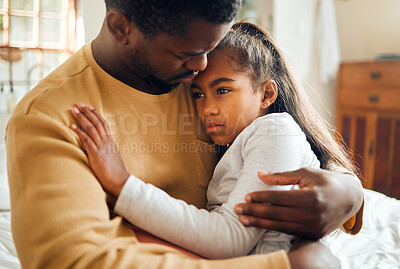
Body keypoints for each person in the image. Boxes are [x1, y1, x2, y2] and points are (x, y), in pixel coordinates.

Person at [5, 0, 363, 268]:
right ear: (121, 28)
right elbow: (79, 261)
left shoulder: (203, 70)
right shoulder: (49, 119)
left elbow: (290, 142)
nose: (201, 66)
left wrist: (349, 192)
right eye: (188, 54)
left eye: (209, 49)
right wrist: (289, 265)